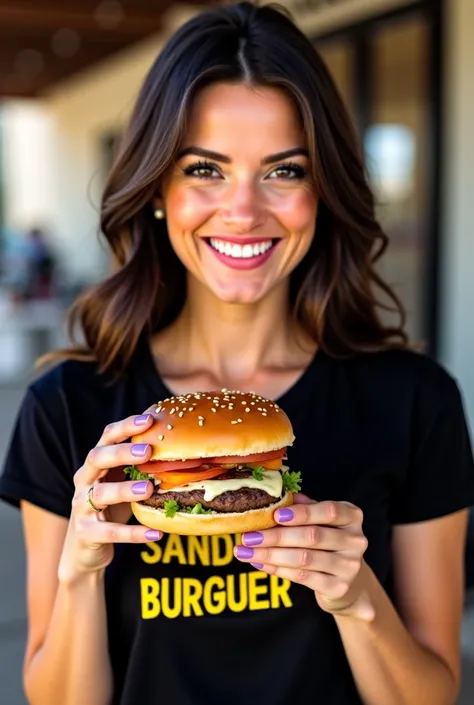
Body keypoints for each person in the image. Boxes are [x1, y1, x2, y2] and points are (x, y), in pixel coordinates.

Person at [1, 3, 473, 704]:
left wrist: (359, 599)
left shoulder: (414, 400)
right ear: (158, 188)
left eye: (284, 171)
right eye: (205, 169)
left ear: (323, 191)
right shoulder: (70, 407)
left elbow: (433, 691)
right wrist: (80, 571)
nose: (244, 210)